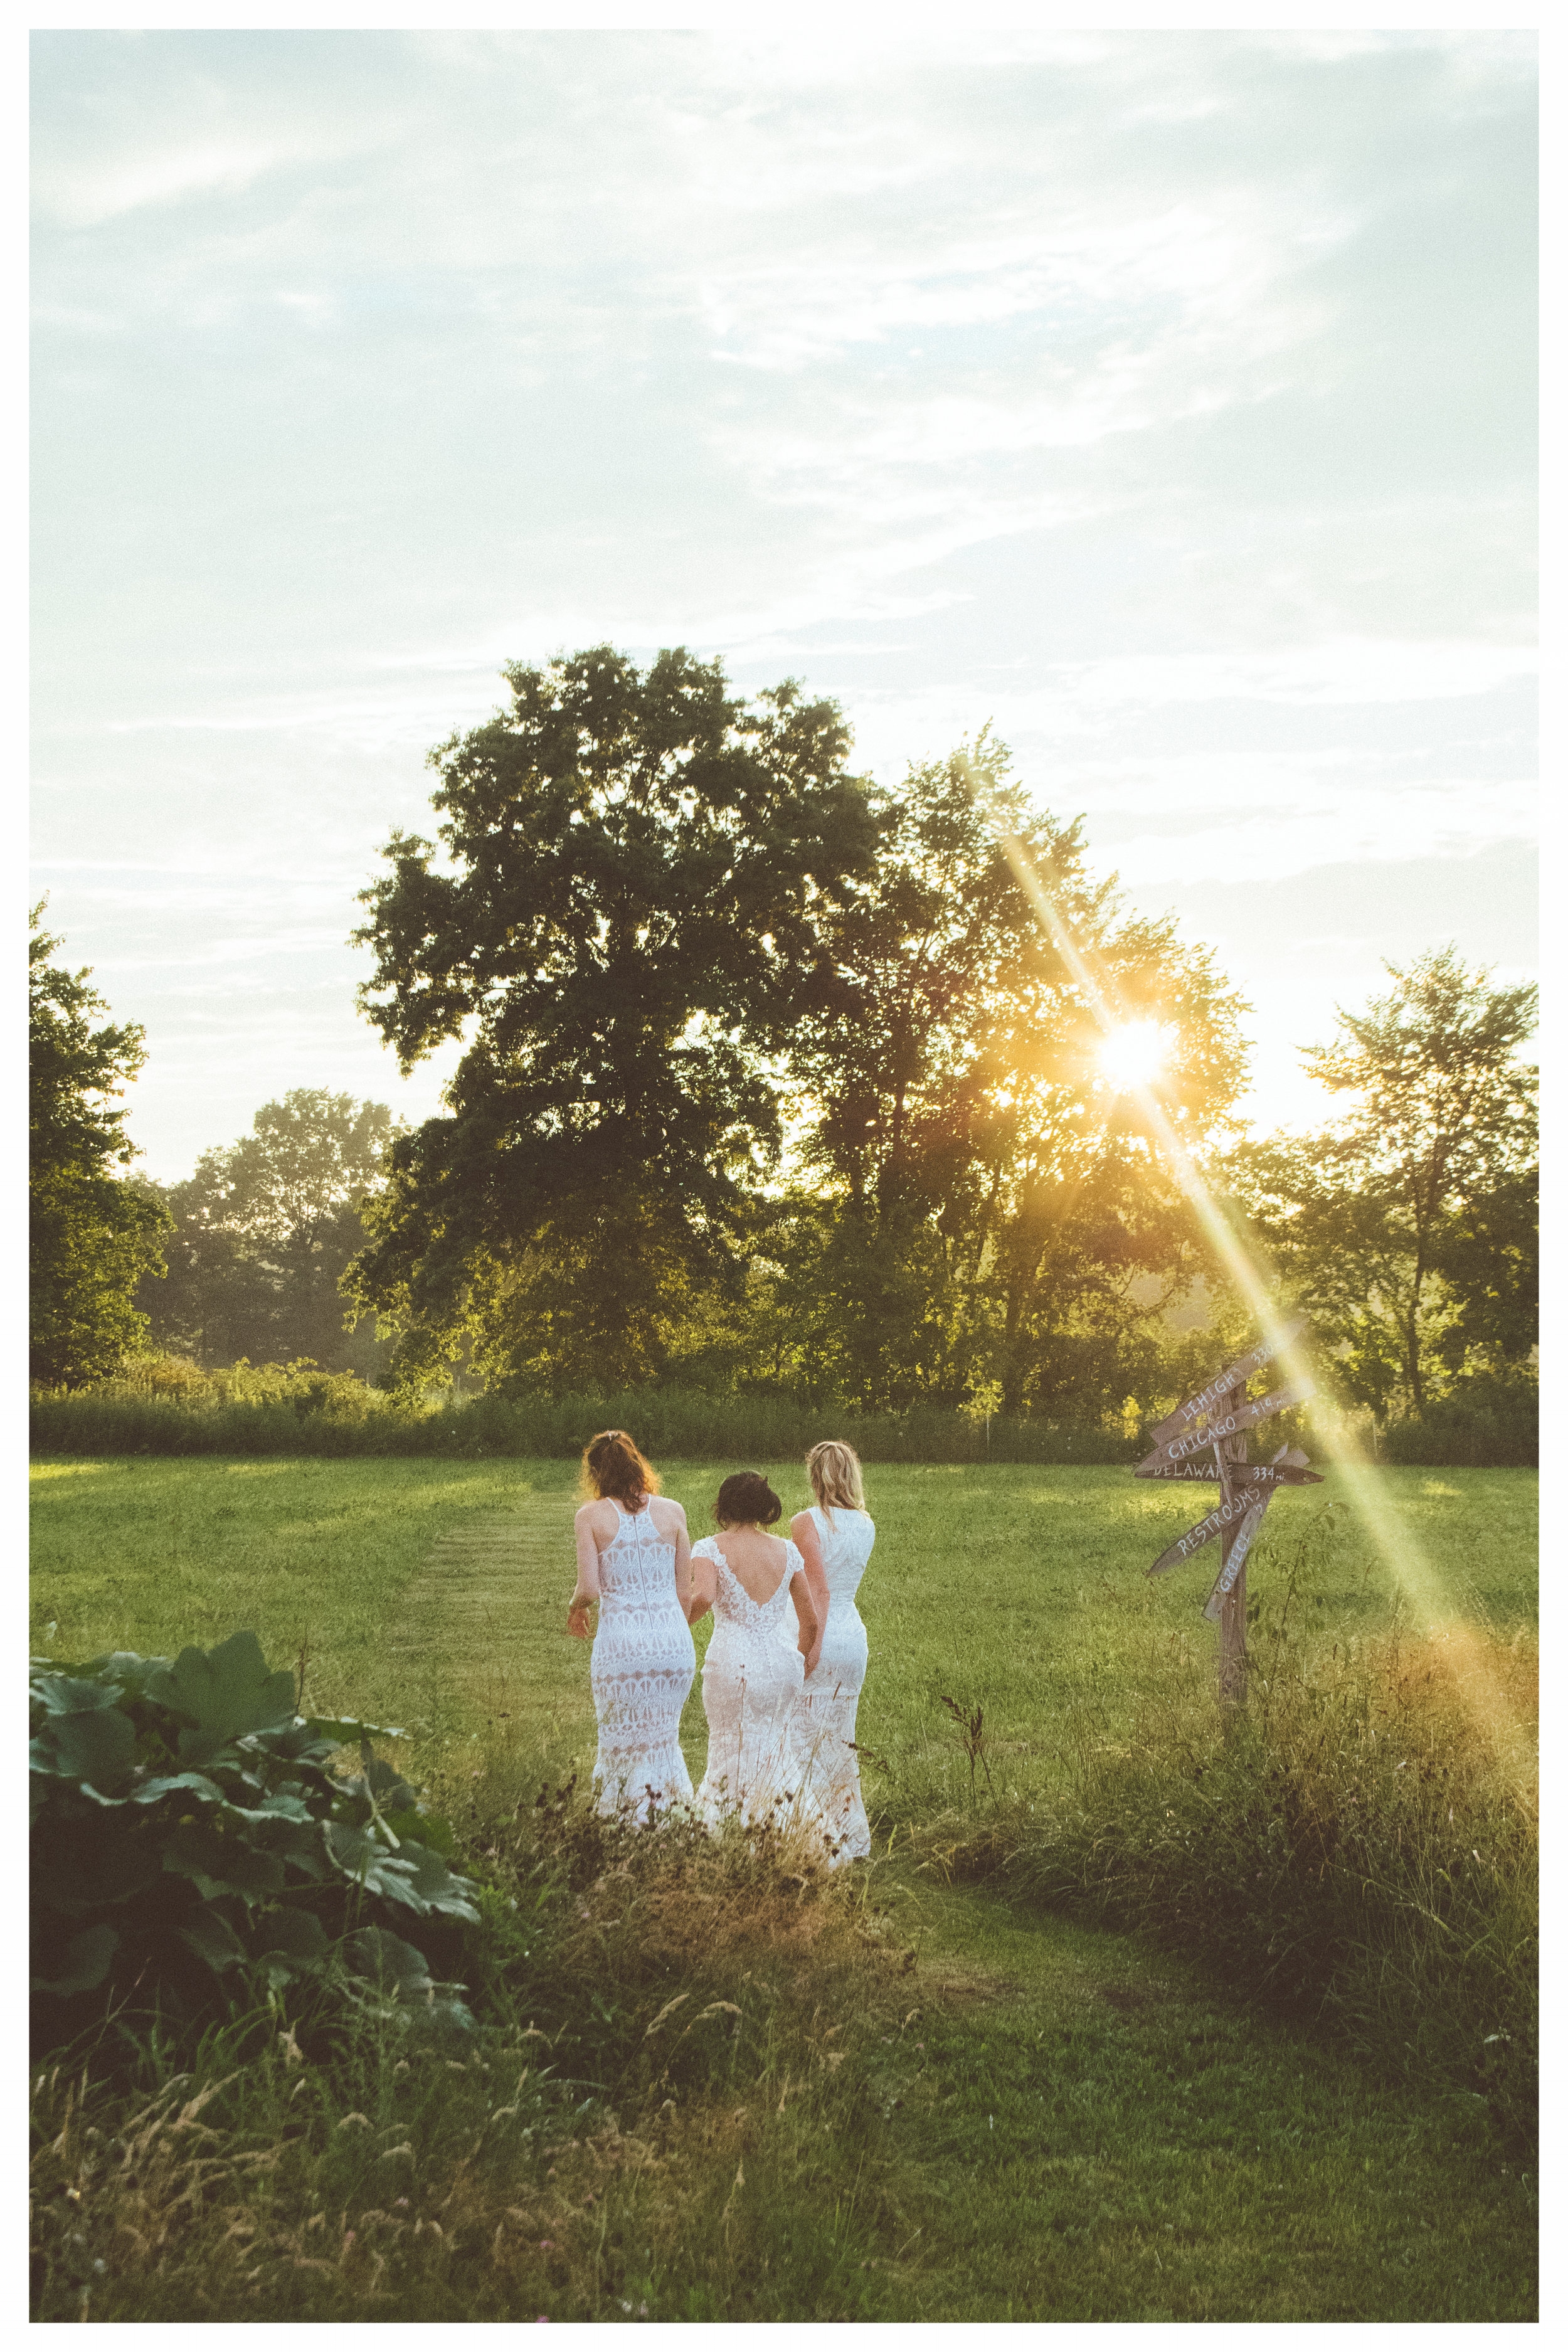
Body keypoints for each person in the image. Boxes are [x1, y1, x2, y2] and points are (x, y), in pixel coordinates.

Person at [568, 1429, 695, 1825]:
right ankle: (672, 1822)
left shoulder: (590, 1517)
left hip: (622, 1644)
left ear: (596, 1473)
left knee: (622, 1742)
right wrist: (670, 1631)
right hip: (673, 1642)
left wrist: (574, 1608)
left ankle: (627, 1826)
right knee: (663, 1741)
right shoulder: (673, 1512)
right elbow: (685, 1593)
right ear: (638, 1463)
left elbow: (589, 1588)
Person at [687, 1470, 820, 1830]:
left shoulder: (709, 1548)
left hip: (733, 1662)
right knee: (776, 1751)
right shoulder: (787, 1551)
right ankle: (787, 1835)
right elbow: (811, 1623)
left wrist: (674, 1627)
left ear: (724, 1505)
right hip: (781, 1665)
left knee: (730, 1750)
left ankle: (728, 1836)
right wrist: (799, 1664)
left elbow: (703, 1597)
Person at [787, 1439, 875, 1863]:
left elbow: (818, 1591)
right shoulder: (866, 1523)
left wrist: (811, 1647)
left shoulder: (806, 1522)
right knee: (841, 1739)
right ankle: (850, 1836)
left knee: (802, 1739)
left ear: (815, 1476)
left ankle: (814, 1840)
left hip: (822, 1634)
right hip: (853, 1636)